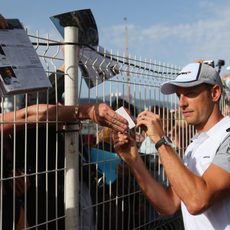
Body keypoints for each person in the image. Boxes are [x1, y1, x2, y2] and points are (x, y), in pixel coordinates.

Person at [113, 62, 230, 230]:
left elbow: (197, 201)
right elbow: (168, 205)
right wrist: (134, 161)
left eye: (190, 93)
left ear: (215, 93)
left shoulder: (226, 135)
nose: (181, 103)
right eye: (178, 95)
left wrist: (161, 140)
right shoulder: (194, 145)